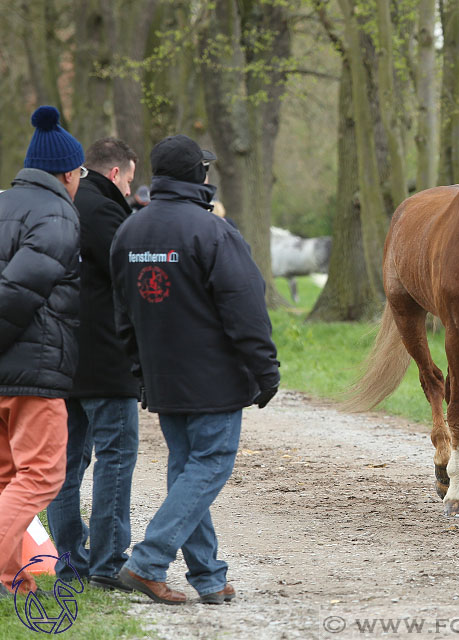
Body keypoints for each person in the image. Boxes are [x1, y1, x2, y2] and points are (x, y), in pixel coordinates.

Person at [110, 134, 280, 605]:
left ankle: (208, 576)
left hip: (164, 378)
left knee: (188, 470)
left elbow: (122, 315)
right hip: (214, 381)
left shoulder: (129, 232)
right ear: (196, 176)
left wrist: (139, 373)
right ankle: (147, 562)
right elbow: (246, 311)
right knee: (208, 467)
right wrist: (266, 372)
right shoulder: (214, 232)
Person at [46, 137, 140, 592]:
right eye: (130, 180)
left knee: (64, 467)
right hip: (105, 358)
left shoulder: (59, 207)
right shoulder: (105, 213)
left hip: (60, 359)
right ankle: (106, 561)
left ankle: (69, 563)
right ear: (117, 173)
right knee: (116, 459)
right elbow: (129, 279)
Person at [0, 106, 84, 596]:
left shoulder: (3, 203)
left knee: (7, 476)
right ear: (69, 173)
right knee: (41, 476)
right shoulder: (56, 215)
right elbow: (19, 292)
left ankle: (11, 577)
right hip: (34, 373)